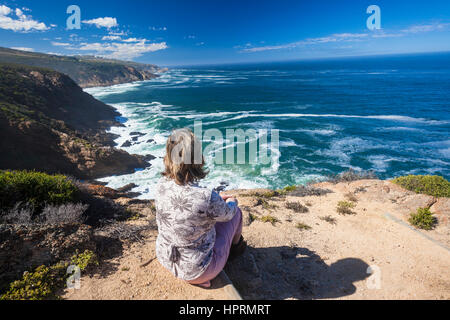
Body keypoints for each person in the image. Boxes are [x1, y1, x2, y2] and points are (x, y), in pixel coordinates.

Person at [154, 128, 246, 288]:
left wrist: (215, 201)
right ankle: (235, 251)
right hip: (197, 271)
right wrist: (231, 201)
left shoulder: (160, 185)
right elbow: (228, 214)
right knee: (237, 213)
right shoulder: (205, 196)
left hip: (166, 258)